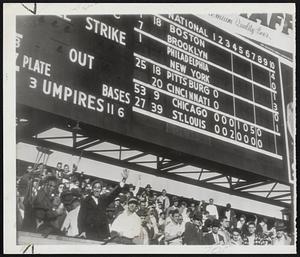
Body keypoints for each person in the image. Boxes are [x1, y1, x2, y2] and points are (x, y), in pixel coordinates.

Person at [77, 169, 129, 241]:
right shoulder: (86, 200)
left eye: (99, 188)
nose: (97, 190)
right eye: (95, 187)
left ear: (101, 190)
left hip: (102, 233)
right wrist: (82, 231)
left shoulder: (103, 200)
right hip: (89, 233)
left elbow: (114, 194)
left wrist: (123, 180)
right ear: (92, 189)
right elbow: (81, 217)